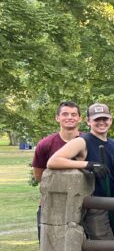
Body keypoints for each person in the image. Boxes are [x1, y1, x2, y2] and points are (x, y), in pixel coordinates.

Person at [46, 103, 114, 251]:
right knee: (109, 250)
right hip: (95, 204)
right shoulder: (82, 141)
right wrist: (87, 164)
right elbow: (53, 161)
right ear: (88, 121)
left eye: (105, 119)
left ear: (110, 120)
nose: (101, 123)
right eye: (97, 120)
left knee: (111, 250)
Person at [32, 101, 81, 240]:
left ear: (80, 118)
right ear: (57, 118)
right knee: (49, 243)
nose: (69, 117)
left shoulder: (88, 141)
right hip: (52, 203)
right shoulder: (45, 144)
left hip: (82, 204)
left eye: (74, 114)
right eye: (65, 114)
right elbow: (39, 176)